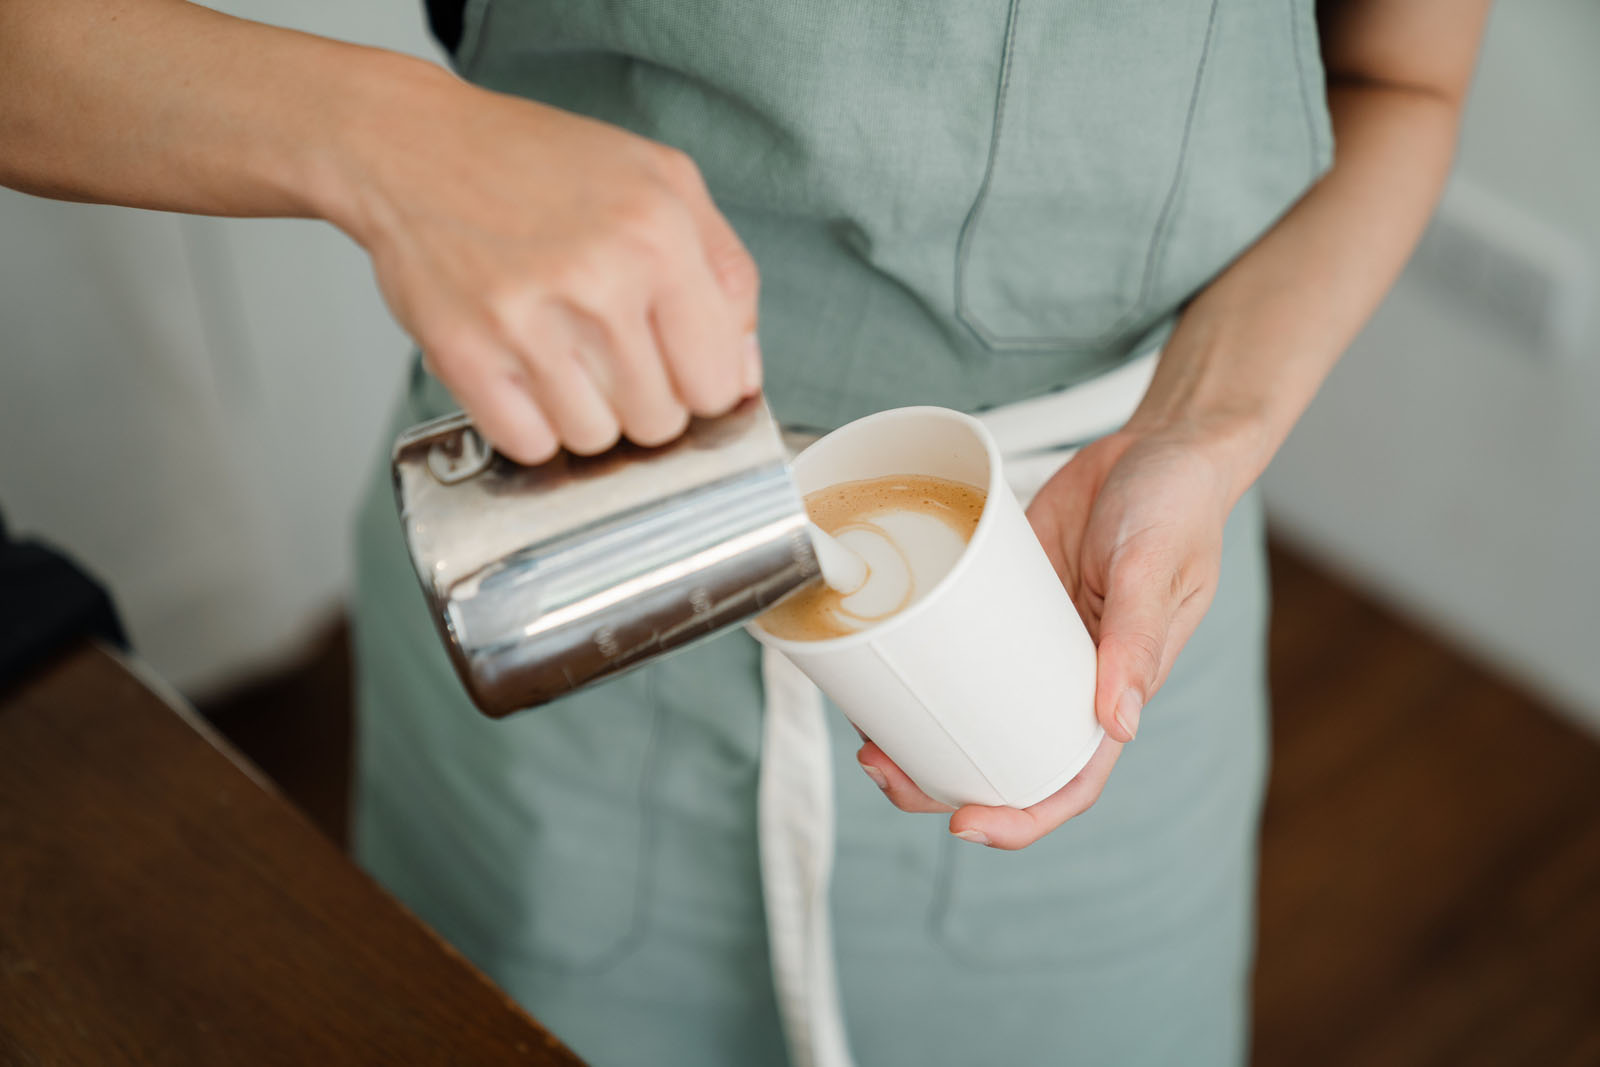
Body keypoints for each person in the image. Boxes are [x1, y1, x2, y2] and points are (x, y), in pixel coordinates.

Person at [1, 0, 1492, 1062]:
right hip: (564, 578)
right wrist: (385, 135)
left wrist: (1199, 432)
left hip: (1086, 591)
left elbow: (1402, 79)